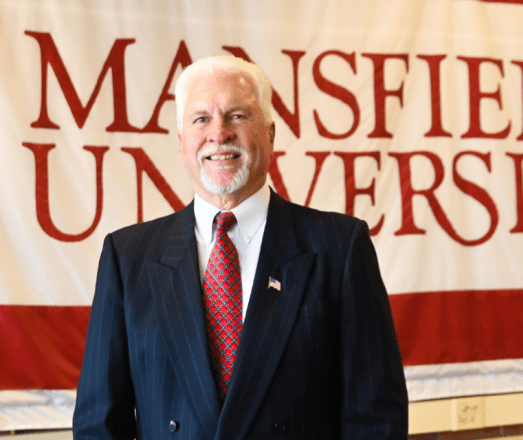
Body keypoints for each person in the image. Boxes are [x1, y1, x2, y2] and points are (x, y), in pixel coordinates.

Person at [73, 55, 408, 440]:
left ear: (270, 133)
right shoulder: (128, 256)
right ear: (182, 142)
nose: (219, 133)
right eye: (201, 119)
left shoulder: (340, 246)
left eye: (237, 116)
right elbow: (98, 425)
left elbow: (376, 419)